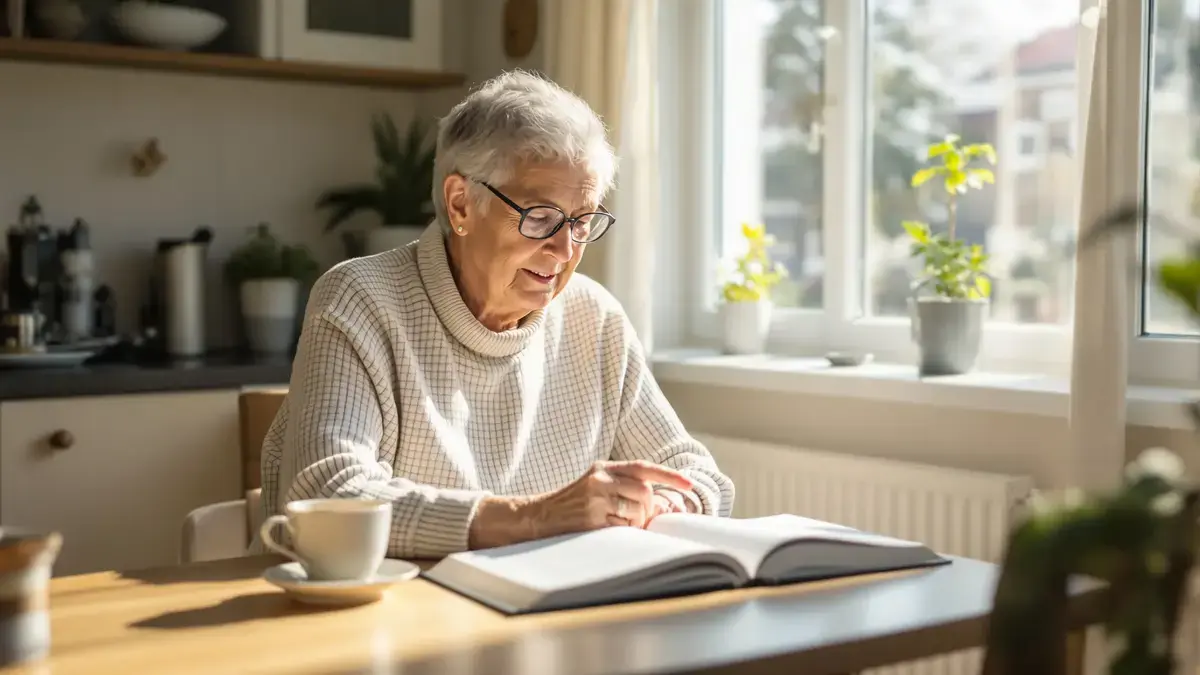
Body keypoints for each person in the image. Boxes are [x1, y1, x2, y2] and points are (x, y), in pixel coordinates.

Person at [254, 70, 735, 560]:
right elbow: (327, 492)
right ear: (461, 204)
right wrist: (534, 518)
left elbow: (695, 473)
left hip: (536, 611)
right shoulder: (360, 299)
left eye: (582, 220)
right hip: (378, 618)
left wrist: (666, 502)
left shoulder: (595, 318)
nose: (565, 249)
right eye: (541, 217)